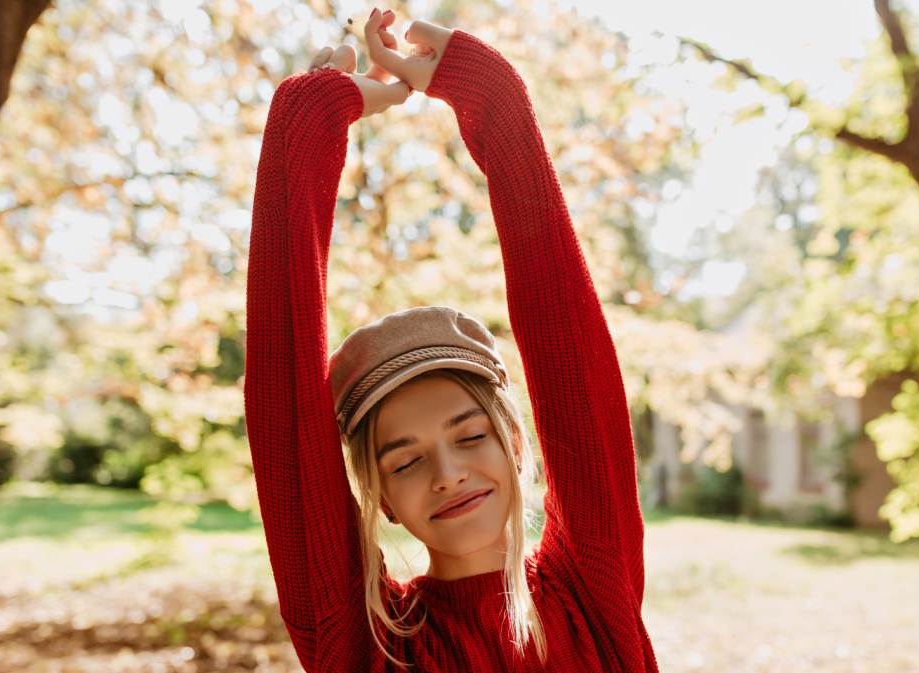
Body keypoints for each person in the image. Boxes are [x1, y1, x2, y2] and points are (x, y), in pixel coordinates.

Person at [244, 7, 657, 671]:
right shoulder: (370, 641)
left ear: (515, 442)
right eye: (403, 461)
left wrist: (493, 104)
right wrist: (304, 129)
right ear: (379, 497)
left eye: (468, 435)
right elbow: (286, 413)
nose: (446, 473)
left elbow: (570, 353)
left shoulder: (591, 589)